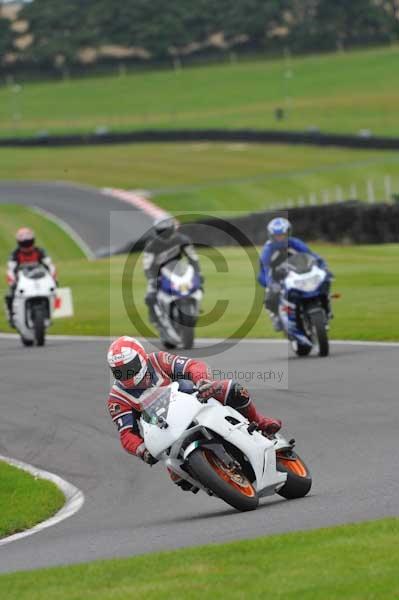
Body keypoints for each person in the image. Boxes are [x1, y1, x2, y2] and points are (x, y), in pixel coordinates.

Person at [107, 336, 281, 486]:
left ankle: (260, 422)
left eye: (130, 368)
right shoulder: (117, 398)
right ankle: (213, 479)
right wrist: (141, 450)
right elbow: (126, 434)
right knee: (178, 477)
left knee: (233, 388)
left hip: (194, 402)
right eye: (120, 372)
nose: (127, 375)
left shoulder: (158, 360)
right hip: (166, 431)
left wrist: (202, 381)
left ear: (142, 358)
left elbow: (192, 365)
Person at [258, 217, 330, 331]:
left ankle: (326, 308)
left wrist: (322, 265)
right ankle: (275, 316)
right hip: (272, 274)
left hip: (294, 270)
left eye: (283, 235)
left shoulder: (295, 243)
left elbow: (311, 255)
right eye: (277, 236)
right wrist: (271, 284)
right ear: (271, 236)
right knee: (270, 295)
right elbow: (266, 271)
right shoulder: (268, 250)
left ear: (288, 233)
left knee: (323, 281)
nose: (280, 238)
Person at [143, 216, 202, 324]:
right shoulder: (151, 245)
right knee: (149, 296)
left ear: (172, 228)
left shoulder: (182, 240)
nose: (165, 233)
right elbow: (147, 265)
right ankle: (153, 315)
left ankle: (195, 308)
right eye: (162, 231)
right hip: (158, 273)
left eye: (167, 230)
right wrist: (151, 279)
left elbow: (192, 257)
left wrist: (197, 272)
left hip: (179, 268)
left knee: (198, 284)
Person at [5, 227, 57, 327]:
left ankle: (49, 313)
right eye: (24, 243)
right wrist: (12, 282)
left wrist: (53, 278)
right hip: (21, 282)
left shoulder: (39, 251)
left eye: (28, 242)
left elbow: (50, 265)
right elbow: (10, 269)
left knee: (53, 291)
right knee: (9, 296)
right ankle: (12, 317)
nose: (27, 245)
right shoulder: (15, 254)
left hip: (38, 279)